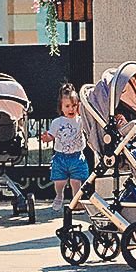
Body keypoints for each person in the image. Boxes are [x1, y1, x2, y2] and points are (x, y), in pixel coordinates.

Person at [41, 83, 89, 211]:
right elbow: (52, 135)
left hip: (77, 156)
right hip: (61, 157)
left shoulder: (81, 120)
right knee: (59, 181)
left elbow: (90, 129)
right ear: (61, 107)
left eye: (74, 105)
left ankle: (76, 201)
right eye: (67, 106)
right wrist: (47, 138)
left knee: (76, 181)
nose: (71, 109)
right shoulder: (57, 122)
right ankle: (59, 195)